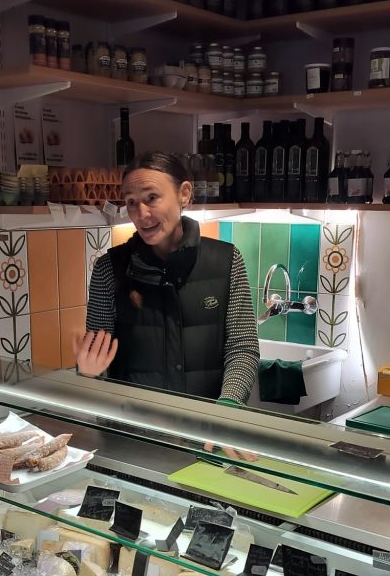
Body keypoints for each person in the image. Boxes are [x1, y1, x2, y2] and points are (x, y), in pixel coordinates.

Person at [76, 151, 259, 403]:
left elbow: (243, 347)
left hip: (207, 423)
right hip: (132, 424)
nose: (141, 214)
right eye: (131, 202)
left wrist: (229, 404)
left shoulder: (226, 261)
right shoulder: (109, 269)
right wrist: (88, 374)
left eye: (151, 198)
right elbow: (96, 357)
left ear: (184, 193)